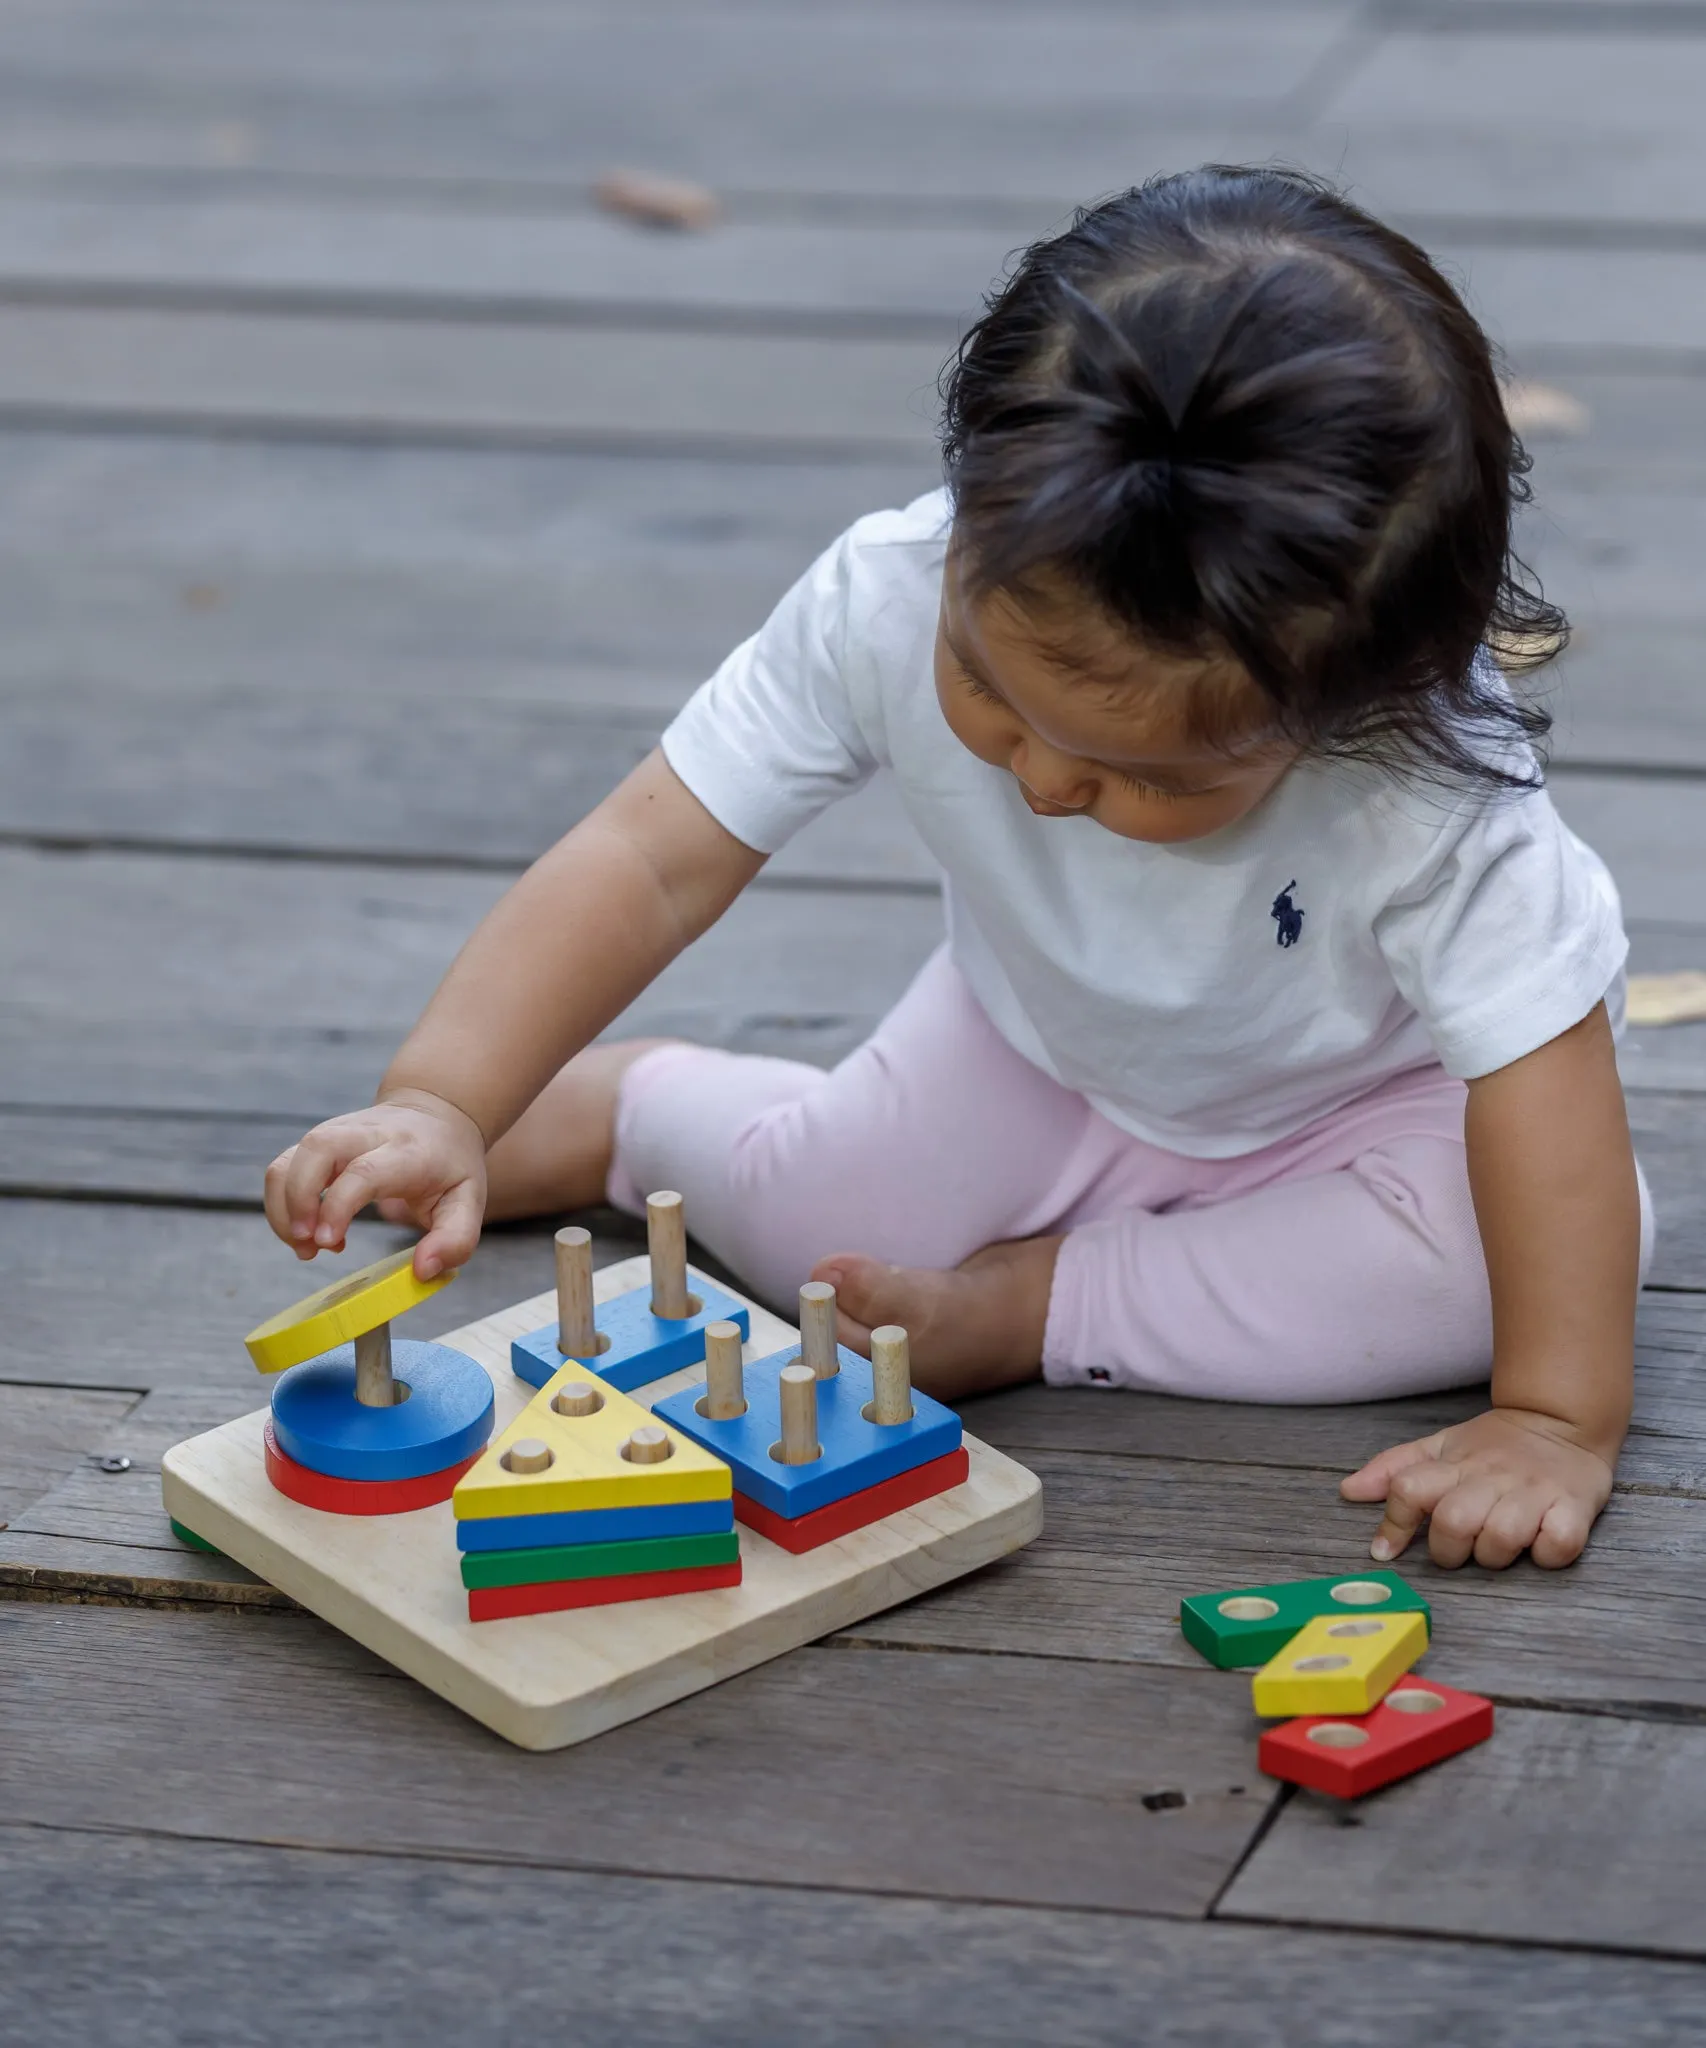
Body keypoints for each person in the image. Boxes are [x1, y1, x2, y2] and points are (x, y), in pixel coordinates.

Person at [264, 168, 1650, 1573]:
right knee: (822, 1238)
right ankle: (640, 1112)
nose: (1043, 783)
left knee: (1496, 1274)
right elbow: (650, 854)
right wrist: (446, 1091)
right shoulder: (884, 593)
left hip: (1364, 1107)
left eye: (1150, 778)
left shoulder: (1426, 785)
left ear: (1358, 701)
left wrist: (1551, 1415)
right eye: (989, 694)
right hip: (1036, 1041)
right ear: (966, 513)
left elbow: (1542, 1090)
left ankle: (1034, 1308)